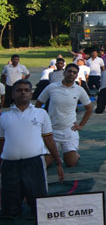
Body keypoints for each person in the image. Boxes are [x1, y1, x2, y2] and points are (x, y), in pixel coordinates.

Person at [0, 80, 64, 216]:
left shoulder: (41, 114)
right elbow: (1, 143)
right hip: (9, 166)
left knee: (39, 208)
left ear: (31, 94)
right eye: (19, 90)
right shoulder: (4, 117)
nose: (23, 92)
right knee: (10, 210)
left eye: (26, 90)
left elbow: (49, 139)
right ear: (12, 94)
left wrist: (58, 161)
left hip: (34, 164)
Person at [35, 63, 92, 167]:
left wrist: (81, 125)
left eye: (74, 72)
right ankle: (53, 156)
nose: (71, 74)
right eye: (69, 71)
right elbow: (38, 105)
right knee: (45, 164)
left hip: (69, 131)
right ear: (64, 72)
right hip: (51, 131)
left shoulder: (79, 90)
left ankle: (75, 155)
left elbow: (89, 108)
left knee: (70, 163)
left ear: (76, 75)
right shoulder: (52, 87)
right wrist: (41, 123)